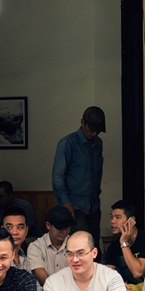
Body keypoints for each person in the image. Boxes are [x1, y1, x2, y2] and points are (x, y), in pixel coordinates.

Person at [52, 106, 106, 247]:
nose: (94, 133)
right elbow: (57, 177)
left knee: (94, 247)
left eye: (98, 131)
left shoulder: (98, 143)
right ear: (82, 122)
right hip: (74, 206)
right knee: (83, 245)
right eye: (91, 129)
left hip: (93, 206)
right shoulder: (67, 144)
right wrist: (66, 203)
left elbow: (97, 173)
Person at [28, 205, 76, 286]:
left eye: (67, 227)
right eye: (60, 227)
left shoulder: (76, 244)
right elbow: (44, 281)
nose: (64, 231)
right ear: (48, 225)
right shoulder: (36, 247)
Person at [0, 206, 32, 272]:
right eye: (9, 227)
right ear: (2, 229)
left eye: (20, 227)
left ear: (26, 231)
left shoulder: (24, 258)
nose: (14, 232)